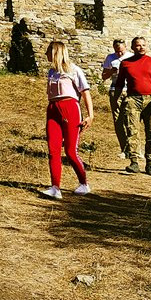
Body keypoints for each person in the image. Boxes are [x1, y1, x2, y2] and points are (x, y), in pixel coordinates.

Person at [40, 40, 93, 199]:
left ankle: (84, 183)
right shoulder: (51, 72)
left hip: (70, 108)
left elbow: (85, 93)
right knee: (53, 149)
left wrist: (90, 115)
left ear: (56, 52)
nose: (46, 54)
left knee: (70, 151)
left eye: (49, 51)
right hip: (53, 109)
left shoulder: (74, 70)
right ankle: (55, 187)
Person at [111, 36, 151, 176]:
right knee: (132, 130)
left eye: (144, 45)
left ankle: (150, 163)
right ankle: (134, 162)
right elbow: (119, 83)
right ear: (132, 48)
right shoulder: (126, 63)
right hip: (133, 99)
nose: (141, 47)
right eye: (138, 45)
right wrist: (116, 100)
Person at [101, 39, 130, 158]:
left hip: (129, 90)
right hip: (115, 90)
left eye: (121, 51)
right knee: (118, 121)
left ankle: (132, 149)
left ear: (126, 48)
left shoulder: (131, 57)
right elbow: (103, 76)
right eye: (117, 51)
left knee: (130, 120)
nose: (119, 54)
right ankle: (124, 149)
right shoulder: (110, 58)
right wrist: (111, 72)